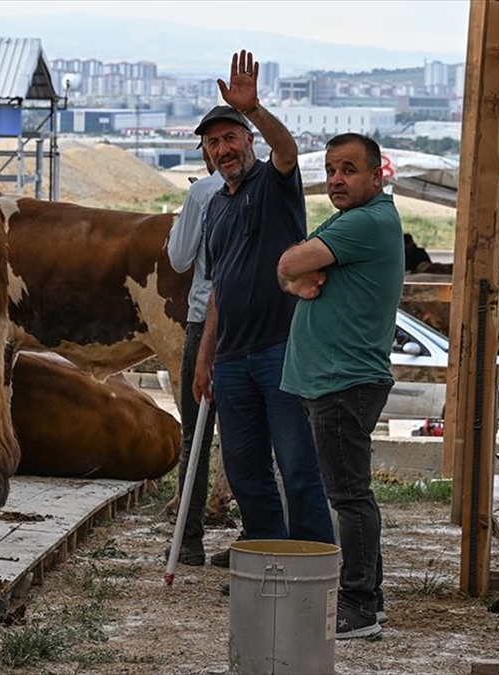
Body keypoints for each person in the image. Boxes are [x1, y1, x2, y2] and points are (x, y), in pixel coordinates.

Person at [191, 51, 335, 566]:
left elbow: (288, 149)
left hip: (281, 350)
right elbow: (218, 289)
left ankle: (313, 564)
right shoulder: (215, 208)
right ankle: (265, 559)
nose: (223, 149)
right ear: (207, 157)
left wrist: (252, 107)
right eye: (214, 143)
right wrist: (205, 358)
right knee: (245, 470)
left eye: (231, 137)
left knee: (297, 466)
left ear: (249, 141)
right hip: (231, 360)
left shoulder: (274, 184)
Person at [278, 132, 405, 640]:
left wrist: (293, 275)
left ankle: (359, 606)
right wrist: (294, 277)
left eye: (349, 170)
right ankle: (369, 596)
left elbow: (288, 263)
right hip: (333, 379)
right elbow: (294, 270)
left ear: (377, 175)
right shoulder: (352, 219)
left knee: (350, 497)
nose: (336, 179)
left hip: (343, 380)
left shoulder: (366, 222)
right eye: (331, 170)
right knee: (350, 494)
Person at [165, 147, 225, 565]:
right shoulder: (268, 186)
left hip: (204, 319)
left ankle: (188, 540)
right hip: (255, 324)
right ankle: (257, 537)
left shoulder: (203, 191)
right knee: (251, 433)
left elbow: (179, 256)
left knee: (195, 433)